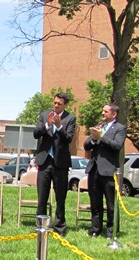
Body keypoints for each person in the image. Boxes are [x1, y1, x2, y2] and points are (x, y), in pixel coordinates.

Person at [33, 93, 76, 237]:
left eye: (59, 103)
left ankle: (60, 227)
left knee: (60, 197)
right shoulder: (45, 115)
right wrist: (48, 124)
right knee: (42, 196)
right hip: (44, 161)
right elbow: (36, 134)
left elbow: (69, 138)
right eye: (55, 102)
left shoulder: (70, 118)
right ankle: (41, 226)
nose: (56, 105)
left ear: (65, 105)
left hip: (60, 163)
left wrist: (59, 126)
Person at [84, 102, 126, 239]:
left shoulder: (120, 128)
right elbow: (86, 145)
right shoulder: (98, 127)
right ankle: (95, 229)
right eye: (102, 111)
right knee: (95, 202)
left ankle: (112, 231)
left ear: (114, 114)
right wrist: (94, 139)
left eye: (106, 111)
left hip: (108, 171)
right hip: (94, 169)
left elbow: (117, 145)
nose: (102, 113)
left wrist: (101, 137)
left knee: (111, 203)